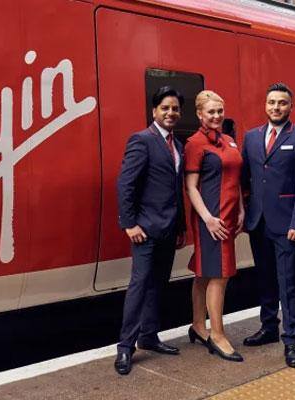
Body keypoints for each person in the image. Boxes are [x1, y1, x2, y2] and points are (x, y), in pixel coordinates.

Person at [241, 82, 295, 368]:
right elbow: (245, 179)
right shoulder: (251, 138)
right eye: (272, 102)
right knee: (264, 278)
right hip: (258, 221)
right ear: (265, 105)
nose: (276, 107)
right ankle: (269, 328)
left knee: (288, 282)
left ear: (290, 106)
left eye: (282, 103)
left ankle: (292, 340)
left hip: (288, 224)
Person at [114, 86, 187, 375]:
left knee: (158, 284)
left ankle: (149, 336)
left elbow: (176, 191)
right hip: (144, 229)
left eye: (175, 109)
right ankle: (124, 348)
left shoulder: (177, 146)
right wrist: (129, 223)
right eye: (165, 108)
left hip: (168, 228)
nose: (171, 113)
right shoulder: (142, 140)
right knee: (139, 285)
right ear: (154, 111)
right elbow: (126, 184)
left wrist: (180, 226)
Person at [185, 90, 244, 362]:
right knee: (219, 274)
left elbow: (235, 178)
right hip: (212, 219)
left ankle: (199, 326)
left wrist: (241, 207)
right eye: (211, 112)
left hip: (229, 215)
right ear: (199, 114)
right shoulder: (195, 144)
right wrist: (207, 218)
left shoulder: (229, 140)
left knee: (204, 273)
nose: (217, 116)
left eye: (220, 111)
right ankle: (217, 335)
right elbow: (191, 187)